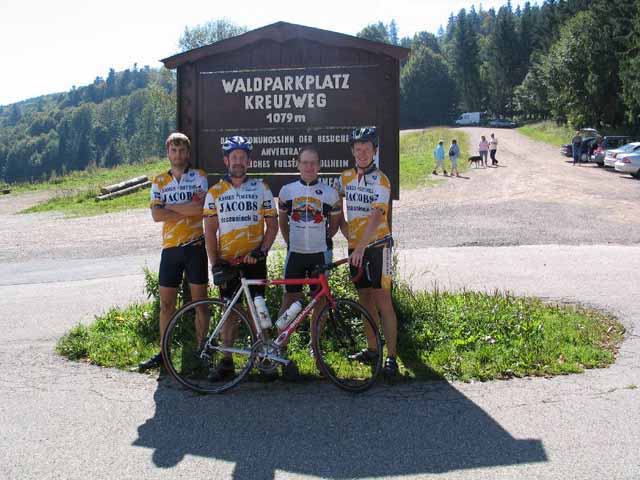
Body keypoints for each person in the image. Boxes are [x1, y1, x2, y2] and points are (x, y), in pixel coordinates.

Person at [203, 135, 279, 381]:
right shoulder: (214, 192)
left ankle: (264, 358)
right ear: (226, 160)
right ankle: (226, 361)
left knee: (259, 311)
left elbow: (273, 225)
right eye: (233, 157)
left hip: (254, 262)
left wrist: (263, 250)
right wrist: (214, 264)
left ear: (249, 161)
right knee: (229, 312)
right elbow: (210, 232)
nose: (238, 161)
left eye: (242, 157)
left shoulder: (261, 188)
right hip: (229, 262)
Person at [139, 132, 209, 372]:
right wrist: (184, 208)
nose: (178, 155)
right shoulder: (159, 181)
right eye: (173, 150)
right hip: (170, 250)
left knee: (201, 303)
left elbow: (200, 210)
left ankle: (202, 350)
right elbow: (156, 216)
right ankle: (164, 352)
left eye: (182, 151)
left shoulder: (199, 177)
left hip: (195, 247)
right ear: (168, 153)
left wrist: (168, 206)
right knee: (166, 305)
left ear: (188, 153)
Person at [338, 127, 399, 377]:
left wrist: (361, 246)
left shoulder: (382, 180)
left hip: (378, 247)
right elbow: (333, 203)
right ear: (352, 150)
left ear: (374, 151)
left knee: (383, 300)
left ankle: (392, 358)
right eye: (358, 148)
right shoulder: (345, 177)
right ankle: (373, 349)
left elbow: (376, 216)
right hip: (357, 248)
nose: (362, 153)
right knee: (365, 300)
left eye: (367, 148)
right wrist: (344, 229)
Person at [277, 146, 341, 375]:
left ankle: (315, 347)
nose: (309, 167)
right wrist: (289, 242)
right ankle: (280, 347)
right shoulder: (286, 192)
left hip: (319, 254)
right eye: (305, 162)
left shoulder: (330, 193)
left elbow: (333, 226)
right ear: (298, 165)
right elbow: (282, 222)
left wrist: (322, 241)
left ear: (319, 166)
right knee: (289, 299)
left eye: (313, 163)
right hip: (295, 254)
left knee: (320, 302)